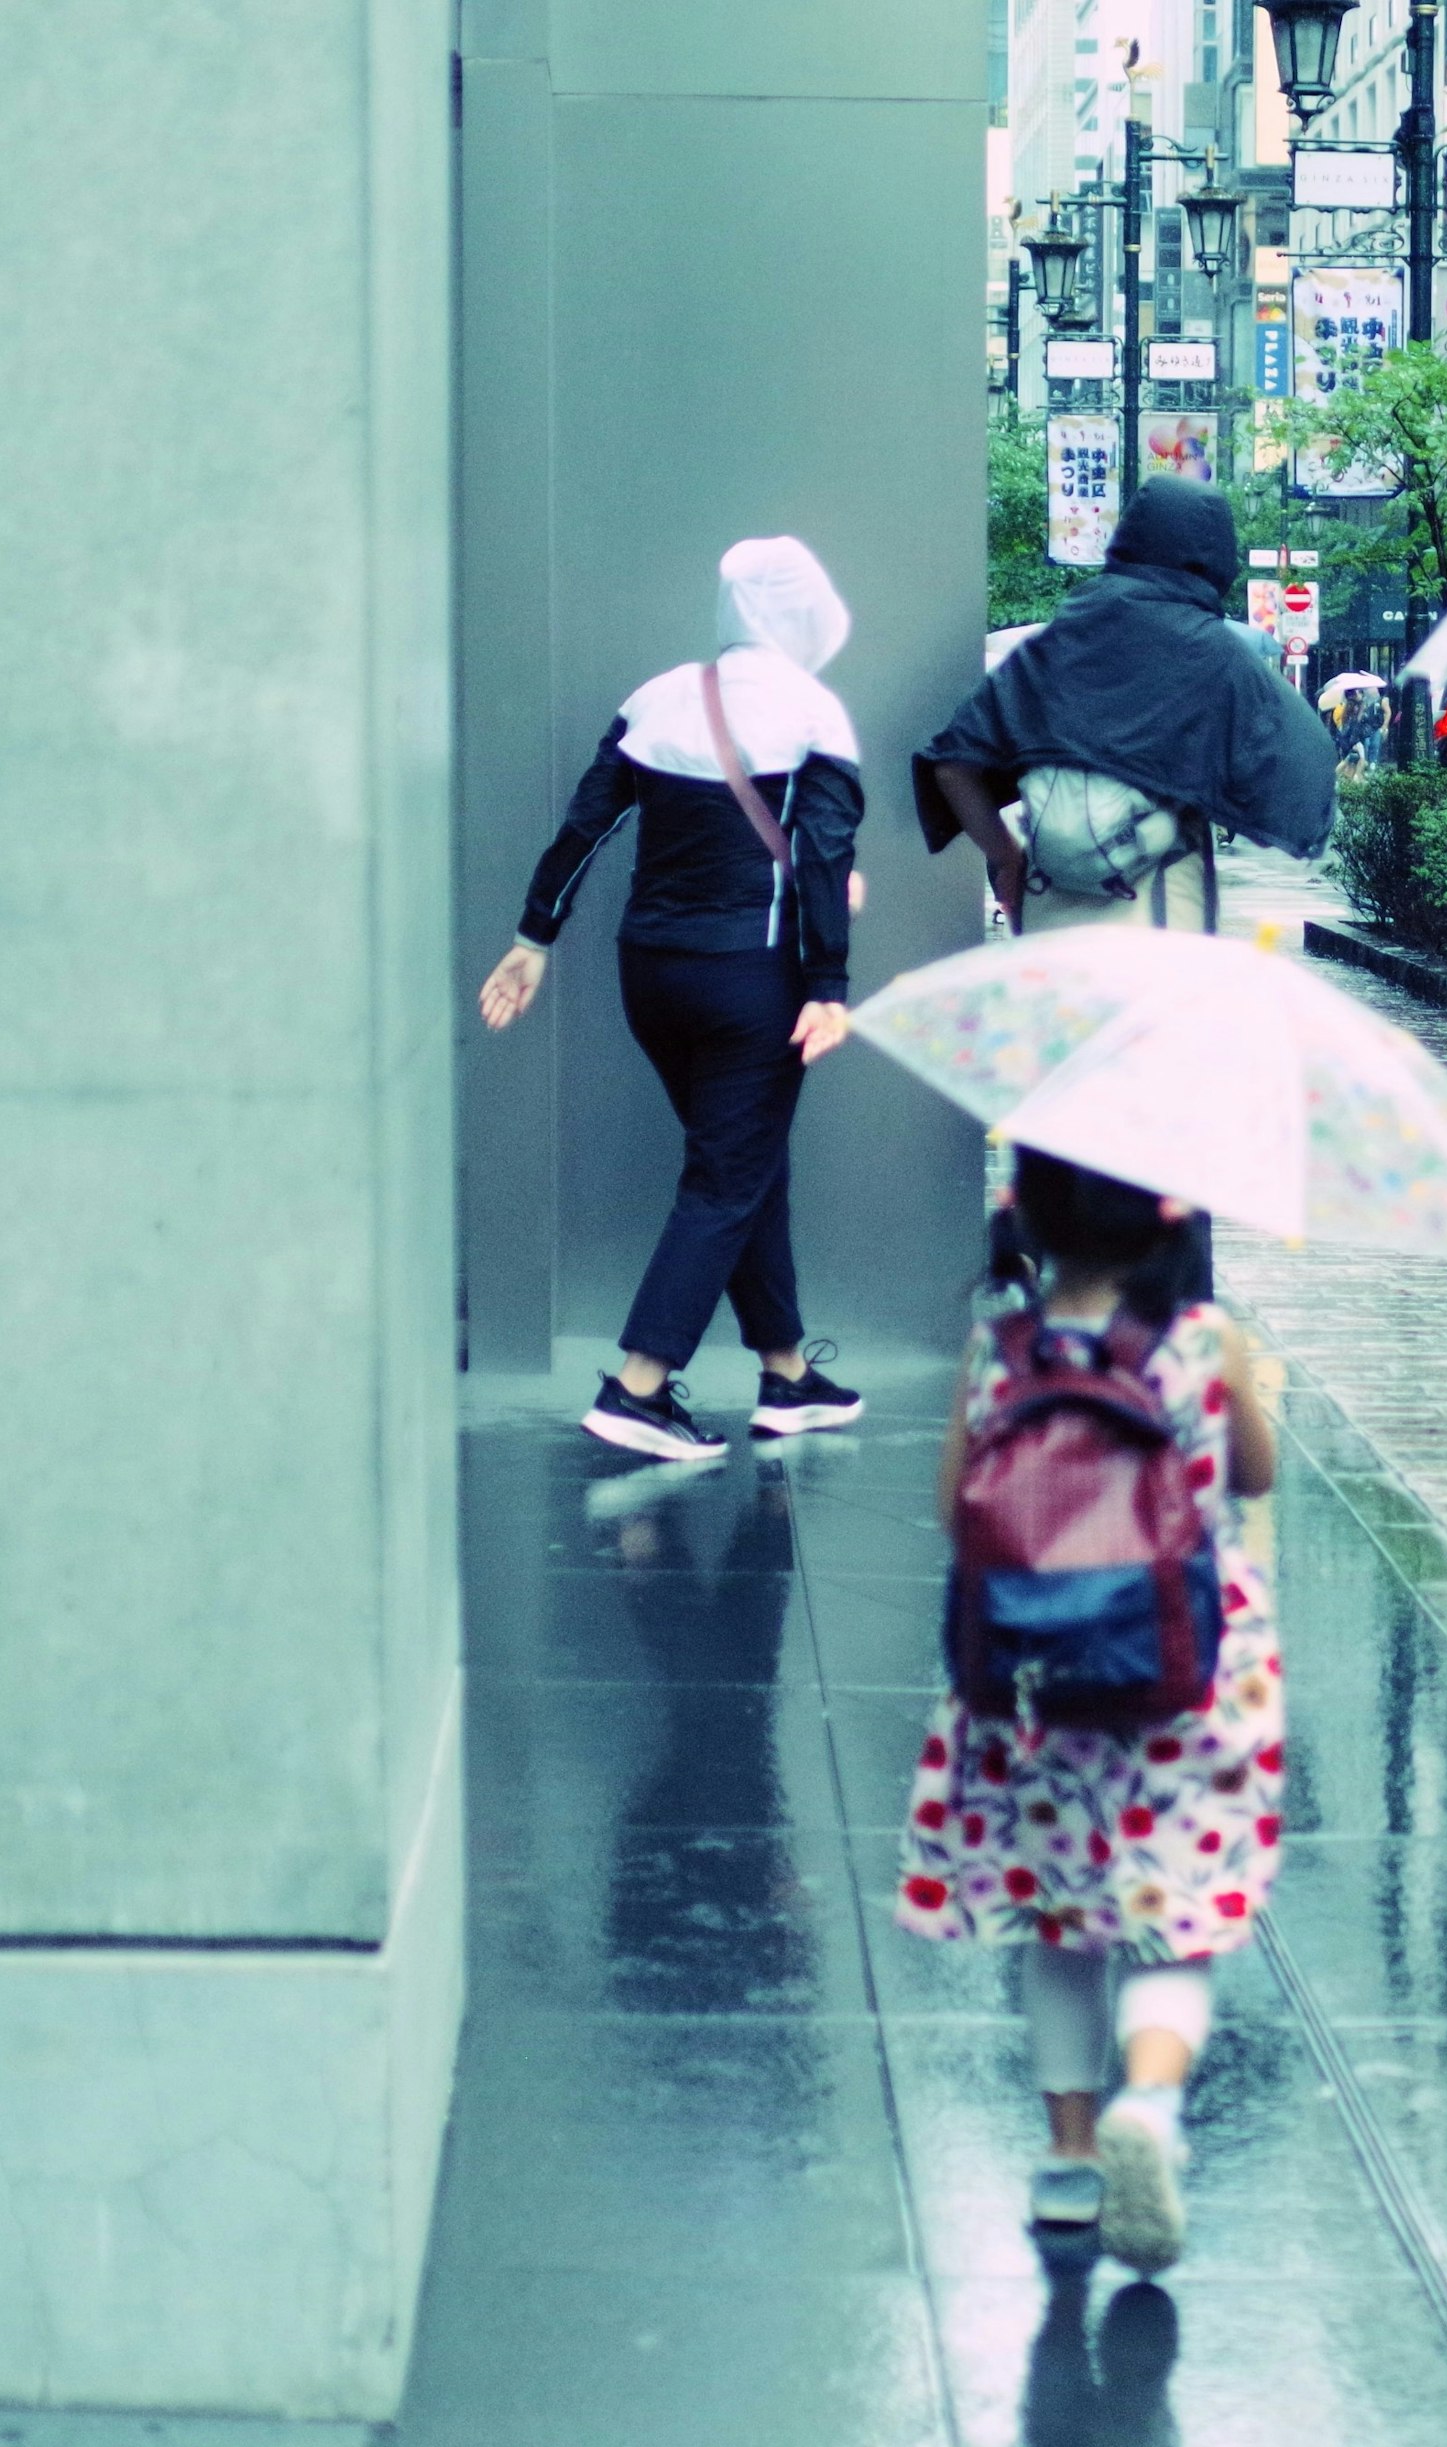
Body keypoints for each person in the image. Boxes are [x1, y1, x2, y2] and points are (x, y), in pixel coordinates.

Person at [897, 1148, 1284, 2275]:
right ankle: (1150, 2104)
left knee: (1060, 1919)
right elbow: (1251, 1479)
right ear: (1173, 1215)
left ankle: (1068, 2161)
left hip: (1033, 1685)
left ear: (1023, 1213)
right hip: (1186, 1679)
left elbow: (950, 1507)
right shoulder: (1209, 1346)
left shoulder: (1000, 1351)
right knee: (1178, 1911)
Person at [479, 537, 870, 1465]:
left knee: (742, 1162)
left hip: (649, 974)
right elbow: (819, 854)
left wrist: (535, 937)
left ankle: (786, 1375)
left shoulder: (658, 697)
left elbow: (585, 826)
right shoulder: (816, 711)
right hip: (755, 979)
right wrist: (830, 986)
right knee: (727, 1176)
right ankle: (638, 1389)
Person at [916, 478, 1336, 936]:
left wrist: (1006, 860)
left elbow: (952, 767)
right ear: (1217, 555)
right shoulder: (1217, 656)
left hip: (1048, 910)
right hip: (1161, 917)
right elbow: (1305, 761)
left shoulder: (1059, 641)